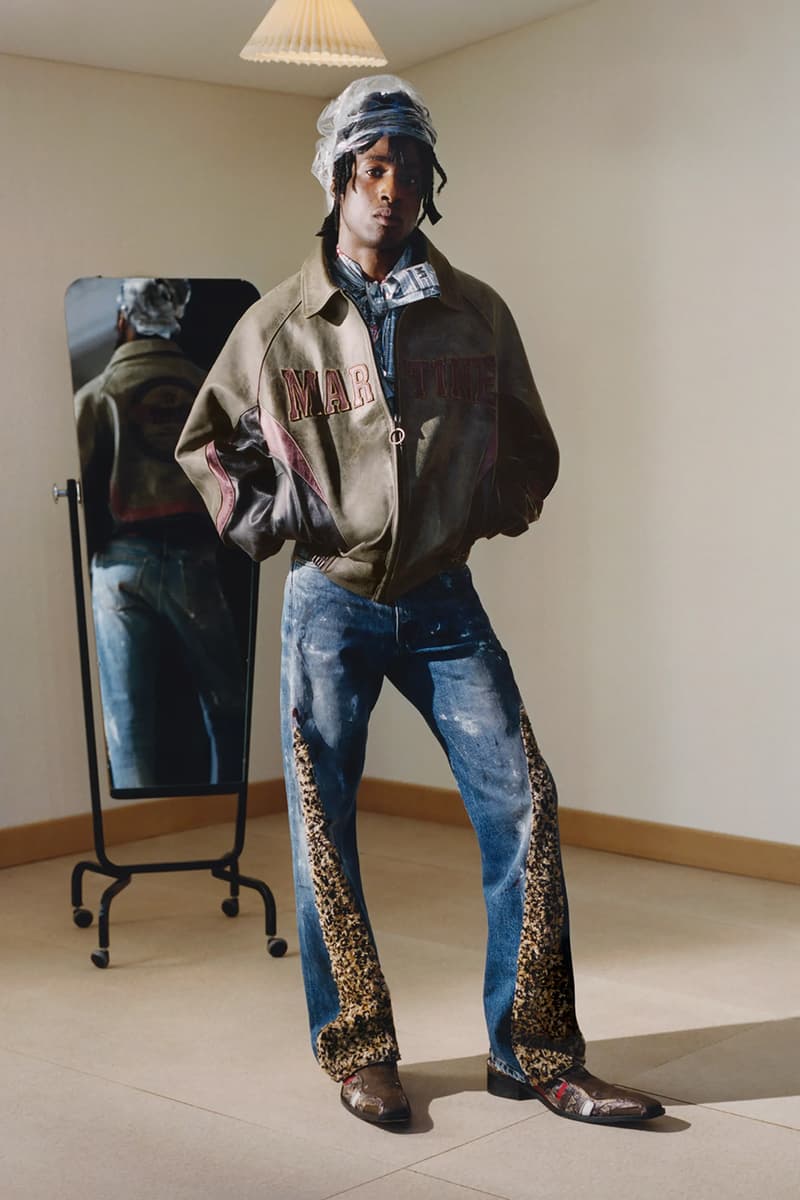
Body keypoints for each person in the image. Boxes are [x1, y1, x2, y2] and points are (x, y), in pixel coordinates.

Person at [176, 77, 664, 1128]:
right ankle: (359, 1049)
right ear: (336, 177)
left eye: (409, 167)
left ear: (429, 183)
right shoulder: (279, 325)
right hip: (328, 600)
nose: (391, 187)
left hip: (444, 601)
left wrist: (477, 510)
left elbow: (529, 446)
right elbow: (207, 448)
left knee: (522, 801)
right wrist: (288, 517)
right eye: (372, 166)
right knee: (323, 824)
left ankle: (533, 1051)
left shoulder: (475, 313)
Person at [75, 279, 244, 788]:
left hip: (119, 566)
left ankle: (134, 820)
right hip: (196, 561)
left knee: (126, 721)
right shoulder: (207, 387)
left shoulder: (97, 393)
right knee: (228, 707)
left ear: (122, 320)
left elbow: (80, 488)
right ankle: (230, 801)